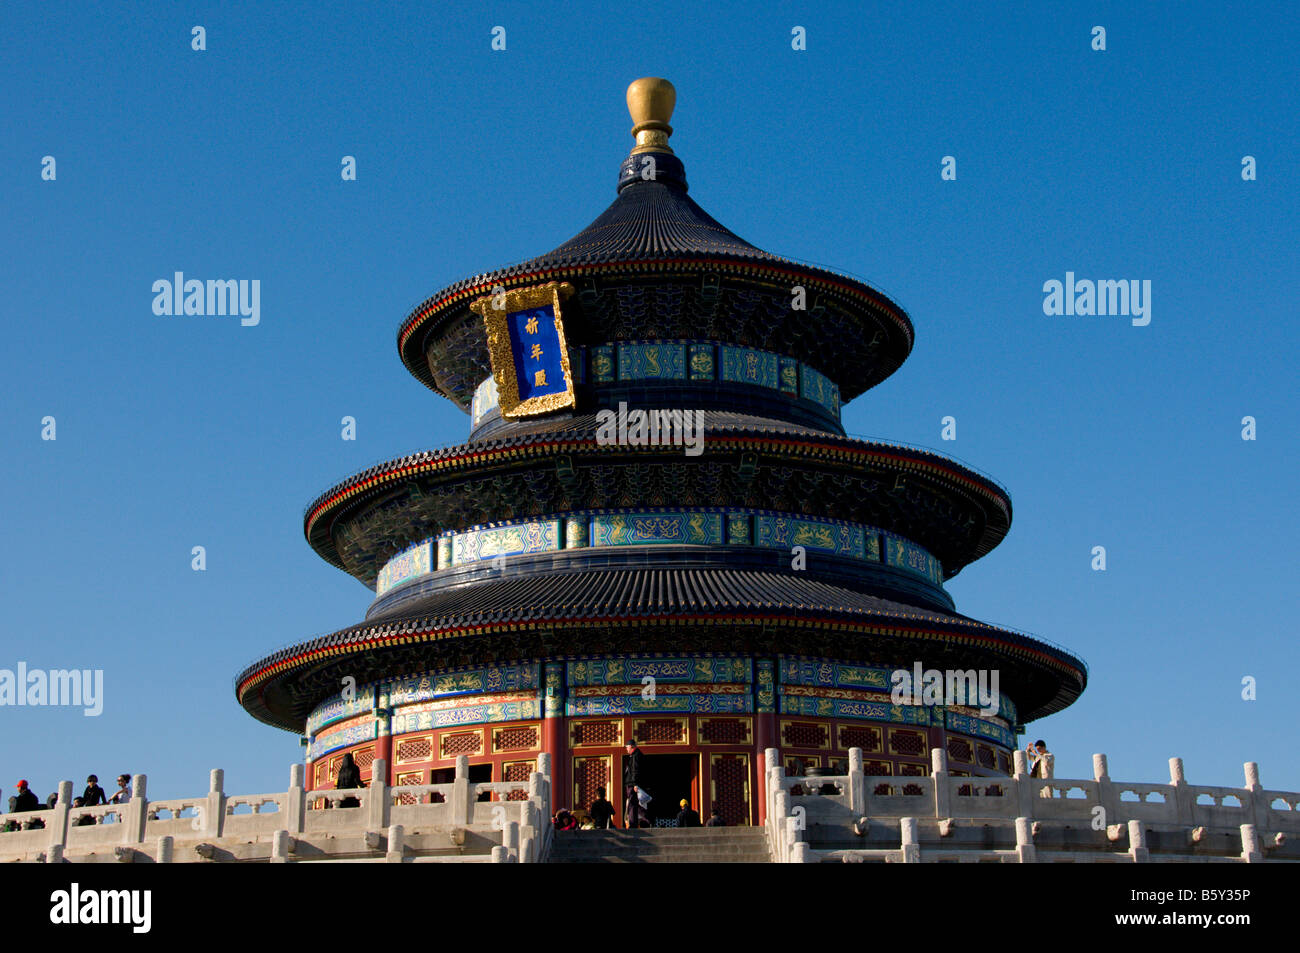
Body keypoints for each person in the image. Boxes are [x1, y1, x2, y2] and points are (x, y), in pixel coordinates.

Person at [623, 740, 647, 828]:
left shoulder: (635, 756)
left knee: (632, 803)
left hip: (632, 783)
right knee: (635, 804)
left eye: (627, 747)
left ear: (632, 746)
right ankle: (641, 821)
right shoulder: (634, 755)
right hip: (632, 783)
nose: (626, 748)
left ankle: (633, 824)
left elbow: (635, 770)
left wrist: (635, 784)